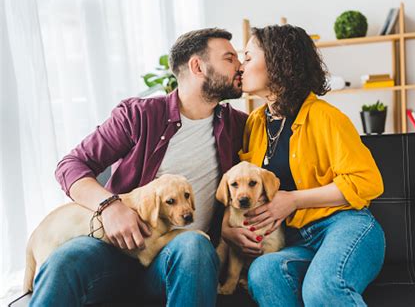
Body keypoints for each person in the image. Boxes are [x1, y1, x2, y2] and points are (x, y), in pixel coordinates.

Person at [30, 28, 248, 307]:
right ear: (197, 66)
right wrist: (110, 207)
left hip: (176, 260)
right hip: (112, 252)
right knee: (65, 259)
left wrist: (231, 228)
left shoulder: (239, 126)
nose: (240, 66)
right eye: (229, 58)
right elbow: (71, 165)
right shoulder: (138, 116)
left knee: (194, 244)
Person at [221, 24, 385, 306]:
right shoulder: (255, 124)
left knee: (321, 288)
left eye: (248, 57)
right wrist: (226, 228)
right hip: (296, 240)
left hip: (346, 226)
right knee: (263, 272)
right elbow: (239, 186)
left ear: (277, 61)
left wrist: (293, 200)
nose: (240, 66)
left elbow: (368, 182)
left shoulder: (326, 117)